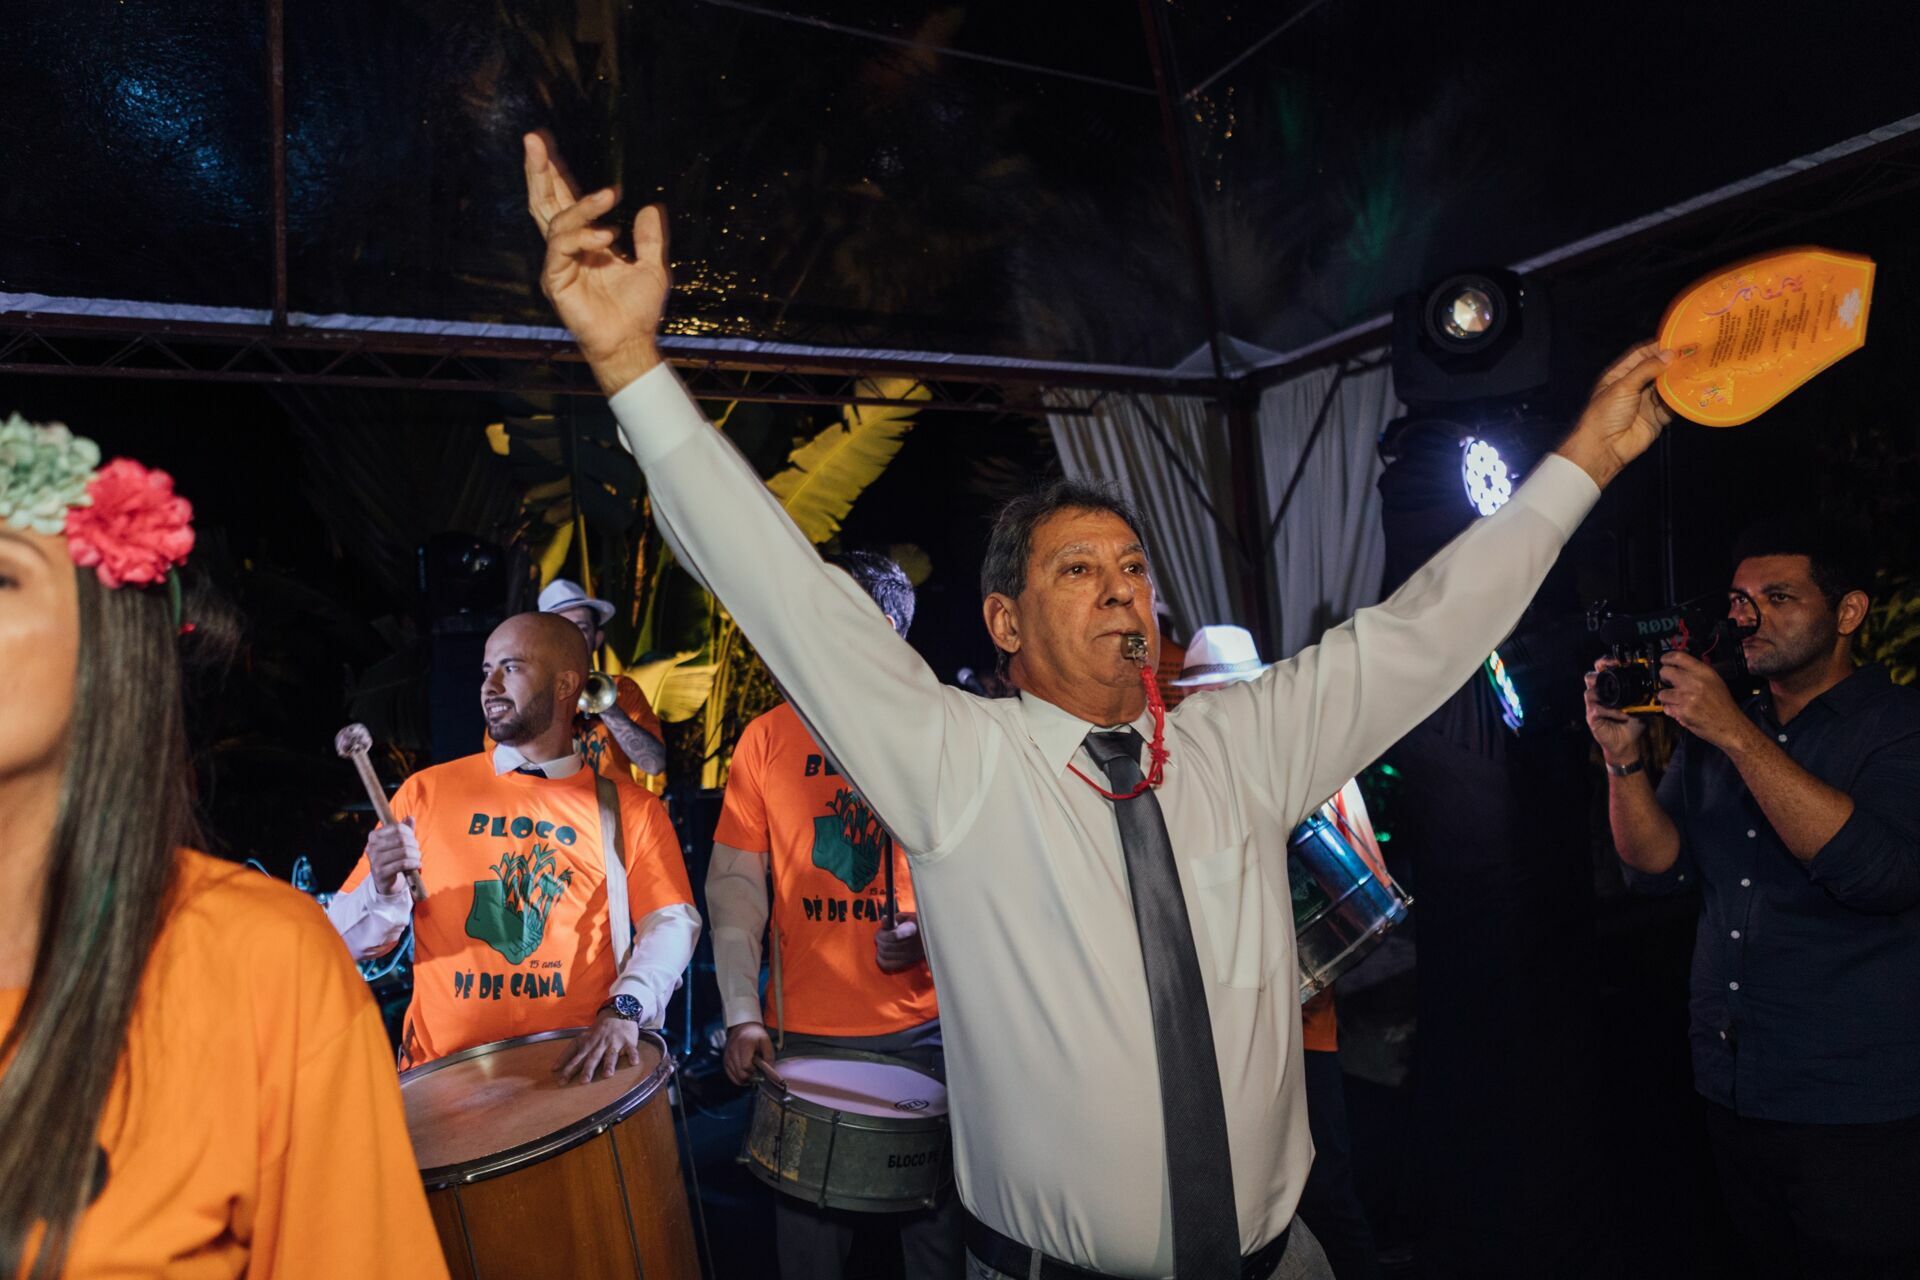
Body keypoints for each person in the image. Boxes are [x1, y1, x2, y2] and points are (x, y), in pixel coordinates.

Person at [521, 131, 1670, 1280]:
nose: (1123, 585)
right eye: (1078, 568)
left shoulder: (1245, 739)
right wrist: (630, 365)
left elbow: (1424, 630)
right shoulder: (960, 761)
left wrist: (1583, 462)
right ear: (1005, 621)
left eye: (1133, 565)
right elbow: (783, 589)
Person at [0, 416, 445, 1277]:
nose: (494, 687)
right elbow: (370, 913)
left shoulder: (258, 964)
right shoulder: (430, 796)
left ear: (109, 648)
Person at [1588, 517, 1920, 1278]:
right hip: (1734, 1088)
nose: (1748, 617)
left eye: (1779, 598)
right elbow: (1658, 869)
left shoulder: (1898, 728)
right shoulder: (1726, 728)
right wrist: (1623, 762)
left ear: (1848, 612)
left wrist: (1736, 734)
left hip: (1858, 1105)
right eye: (1740, 600)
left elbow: (1879, 875)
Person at [707, 551, 962, 1280]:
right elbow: (735, 883)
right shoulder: (767, 736)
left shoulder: (944, 728)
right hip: (803, 1034)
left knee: (936, 1243)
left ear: (886, 626)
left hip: (926, 1031)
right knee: (808, 1250)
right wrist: (742, 1012)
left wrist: (930, 937)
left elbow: (996, 878)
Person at [327, 610, 699, 1079]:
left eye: (512, 667)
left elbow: (671, 923)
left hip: (577, 1079)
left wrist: (626, 1007)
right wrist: (382, 889)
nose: (490, 685)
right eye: (487, 670)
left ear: (566, 685)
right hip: (444, 1083)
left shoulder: (632, 809)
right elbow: (345, 941)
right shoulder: (425, 792)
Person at [1171, 625, 1383, 1280]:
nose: (1220, 709)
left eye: (1232, 693)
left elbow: (1369, 885)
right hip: (1219, 1031)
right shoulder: (1176, 778)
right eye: (1208, 697)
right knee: (1240, 1199)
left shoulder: (1310, 764)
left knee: (1325, 1189)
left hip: (1302, 1020)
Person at [482, 577, 667, 781]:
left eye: (581, 629)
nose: (571, 638)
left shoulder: (623, 689)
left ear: (597, 639)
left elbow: (654, 765)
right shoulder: (516, 694)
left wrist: (605, 705)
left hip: (612, 802)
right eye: (560, 632)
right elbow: (501, 771)